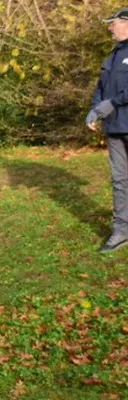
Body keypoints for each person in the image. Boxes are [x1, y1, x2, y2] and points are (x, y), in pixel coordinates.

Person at [88, 7, 128, 252]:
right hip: (114, 128)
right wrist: (94, 109)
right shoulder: (111, 56)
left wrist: (110, 104)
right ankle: (121, 230)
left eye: (112, 23)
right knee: (120, 181)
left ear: (126, 22)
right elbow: (100, 88)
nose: (109, 27)